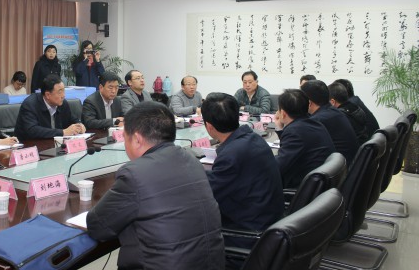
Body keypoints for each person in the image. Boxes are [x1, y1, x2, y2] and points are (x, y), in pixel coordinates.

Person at [87, 101, 225, 270]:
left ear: (137, 139)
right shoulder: (191, 159)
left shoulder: (134, 174)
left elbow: (97, 227)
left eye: (125, 137)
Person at [202, 93, 283, 248]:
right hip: (270, 221)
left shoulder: (231, 155)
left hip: (249, 233)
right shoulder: (254, 138)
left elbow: (207, 194)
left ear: (209, 126)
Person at [274, 89, 335, 189]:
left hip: (302, 187)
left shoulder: (295, 131)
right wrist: (280, 128)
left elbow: (277, 167)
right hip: (319, 184)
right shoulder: (314, 123)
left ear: (283, 113)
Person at [300, 80, 359, 167]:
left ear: (309, 102)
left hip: (338, 170)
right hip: (344, 167)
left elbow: (300, 148)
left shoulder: (317, 121)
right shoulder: (334, 111)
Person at [14, 74, 84, 140]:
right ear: (48, 95)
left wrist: (79, 125)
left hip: (54, 144)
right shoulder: (30, 104)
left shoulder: (62, 103)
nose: (63, 95)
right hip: (30, 145)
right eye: (60, 92)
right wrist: (62, 132)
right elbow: (32, 130)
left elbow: (71, 119)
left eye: (64, 91)